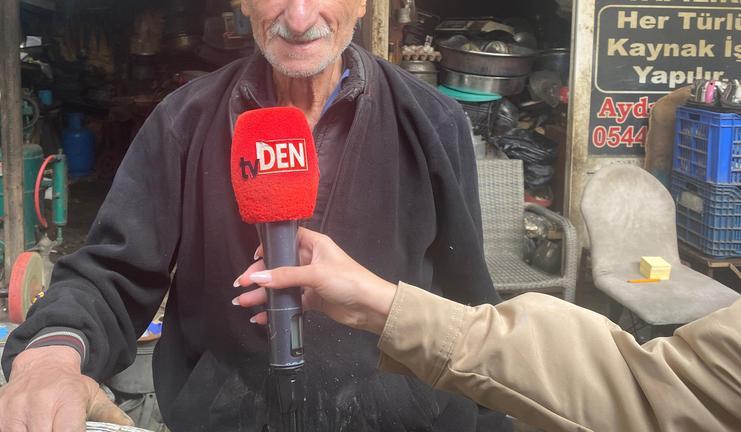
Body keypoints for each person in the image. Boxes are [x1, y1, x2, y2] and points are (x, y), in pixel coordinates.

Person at [0, 0, 508, 431]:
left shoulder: (432, 121)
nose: (299, 16)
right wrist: (49, 359)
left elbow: (467, 299)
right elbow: (113, 270)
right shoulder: (184, 121)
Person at [235, 227, 741, 432]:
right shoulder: (193, 113)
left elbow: (465, 268)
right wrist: (379, 304)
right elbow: (651, 392)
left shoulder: (431, 116)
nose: (300, 30)